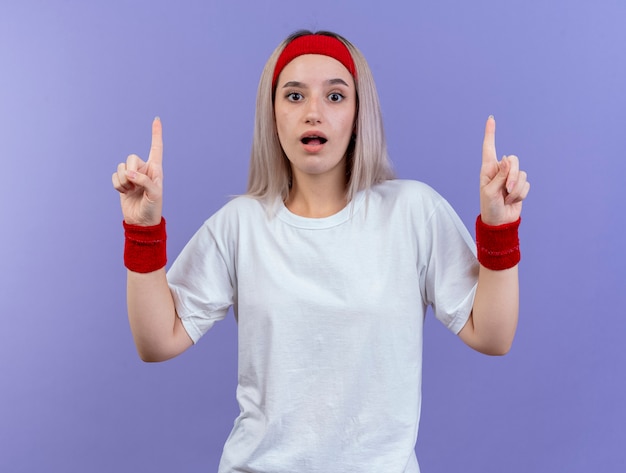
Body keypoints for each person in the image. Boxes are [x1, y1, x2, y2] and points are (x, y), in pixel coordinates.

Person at [112, 30, 530, 473]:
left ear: (358, 113)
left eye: (335, 95)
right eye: (294, 96)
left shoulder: (412, 212)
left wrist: (500, 228)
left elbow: (493, 336)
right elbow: (156, 342)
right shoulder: (241, 224)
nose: (314, 112)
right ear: (272, 114)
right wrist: (143, 229)